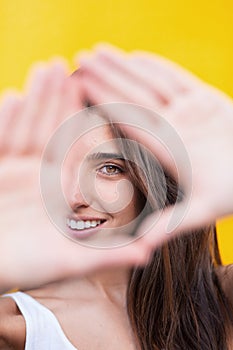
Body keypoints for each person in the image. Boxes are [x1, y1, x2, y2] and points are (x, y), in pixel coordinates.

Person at [0, 46, 233, 349]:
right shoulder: (16, 324)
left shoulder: (223, 298)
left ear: (157, 182)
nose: (74, 197)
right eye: (59, 167)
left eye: (109, 168)